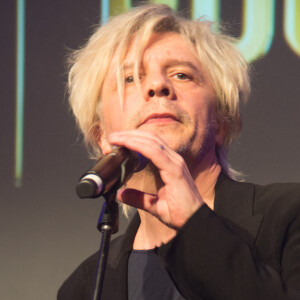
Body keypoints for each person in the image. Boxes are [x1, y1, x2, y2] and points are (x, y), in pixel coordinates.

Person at [58, 4, 300, 299]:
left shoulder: (289, 218)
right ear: (102, 137)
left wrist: (194, 223)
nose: (159, 85)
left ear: (222, 123)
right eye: (131, 78)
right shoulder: (84, 287)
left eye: (182, 75)